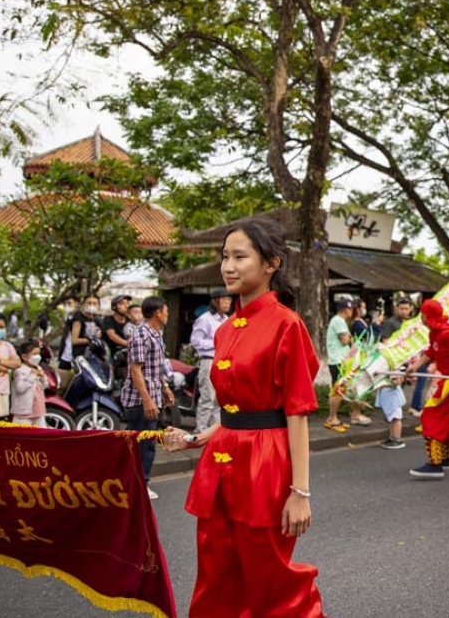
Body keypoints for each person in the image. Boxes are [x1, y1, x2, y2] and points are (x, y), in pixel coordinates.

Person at [164, 218, 324, 618]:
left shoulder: (287, 325)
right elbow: (237, 409)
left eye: (240, 256)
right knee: (217, 575)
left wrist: (299, 493)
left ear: (271, 264)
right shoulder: (224, 330)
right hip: (222, 456)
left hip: (265, 463)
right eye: (224, 257)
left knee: (272, 580)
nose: (228, 267)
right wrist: (202, 435)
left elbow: (296, 413)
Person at [405, 298, 449, 478]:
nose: (420, 317)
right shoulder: (436, 333)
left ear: (427, 316)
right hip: (448, 382)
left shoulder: (448, 334)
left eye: (422, 314)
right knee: (444, 419)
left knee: (431, 416)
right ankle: (444, 459)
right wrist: (414, 367)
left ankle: (435, 464)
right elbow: (431, 351)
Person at [119, 296, 174, 500]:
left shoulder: (156, 334)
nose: (167, 314)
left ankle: (131, 479)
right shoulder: (141, 335)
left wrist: (165, 387)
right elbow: (136, 370)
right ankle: (141, 482)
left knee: (138, 441)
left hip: (152, 394)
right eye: (166, 310)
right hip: (138, 399)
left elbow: (156, 366)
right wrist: (147, 400)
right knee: (145, 443)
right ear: (158, 312)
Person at [190, 289, 231, 433]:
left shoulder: (227, 320)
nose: (227, 303)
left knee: (220, 400)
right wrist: (216, 343)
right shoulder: (205, 319)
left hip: (224, 362)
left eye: (229, 300)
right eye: (224, 299)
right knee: (208, 397)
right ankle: (201, 430)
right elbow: (195, 341)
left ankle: (214, 430)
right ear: (215, 301)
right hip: (209, 360)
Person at [324, 297, 356, 433]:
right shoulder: (338, 321)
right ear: (347, 309)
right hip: (338, 360)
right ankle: (331, 419)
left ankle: (333, 417)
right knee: (337, 390)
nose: (352, 311)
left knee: (339, 390)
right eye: (351, 309)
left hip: (341, 360)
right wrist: (350, 338)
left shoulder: (339, 321)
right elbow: (346, 340)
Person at [11, 341, 49, 427]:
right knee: (22, 436)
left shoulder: (38, 368)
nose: (38, 356)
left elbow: (45, 385)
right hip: (24, 412)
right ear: (24, 357)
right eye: (34, 354)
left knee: (39, 435)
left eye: (38, 353)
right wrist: (33, 375)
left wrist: (42, 376)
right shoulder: (20, 371)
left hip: (38, 411)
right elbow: (20, 388)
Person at [102, 294, 133, 359]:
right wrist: (128, 344)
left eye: (127, 303)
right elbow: (112, 336)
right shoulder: (108, 319)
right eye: (122, 304)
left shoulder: (130, 320)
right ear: (114, 307)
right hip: (110, 353)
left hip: (126, 353)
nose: (126, 306)